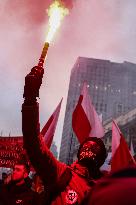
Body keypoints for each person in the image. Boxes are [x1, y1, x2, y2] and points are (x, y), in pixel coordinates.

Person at [22, 65, 107, 205]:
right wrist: (30, 98)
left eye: (95, 147)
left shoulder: (106, 190)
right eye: (86, 145)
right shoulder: (62, 173)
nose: (89, 147)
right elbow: (33, 143)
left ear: (101, 158)